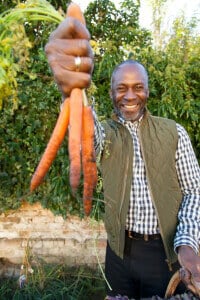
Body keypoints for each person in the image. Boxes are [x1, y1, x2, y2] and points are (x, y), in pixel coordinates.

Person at [44, 11, 200, 300]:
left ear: (148, 90)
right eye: (122, 89)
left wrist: (188, 245)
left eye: (138, 87)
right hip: (119, 253)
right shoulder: (106, 133)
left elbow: (193, 191)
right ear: (112, 92)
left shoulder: (174, 132)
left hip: (165, 254)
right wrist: (71, 93)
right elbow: (88, 141)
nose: (130, 96)